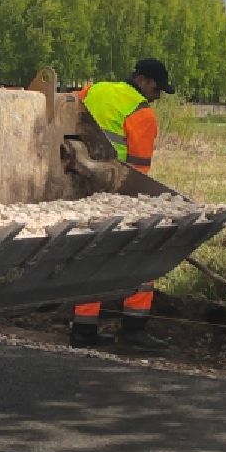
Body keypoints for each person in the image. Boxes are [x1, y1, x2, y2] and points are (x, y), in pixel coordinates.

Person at [70, 57, 174, 350]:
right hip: (114, 192)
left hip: (76, 188)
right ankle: (134, 330)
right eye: (158, 90)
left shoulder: (94, 89)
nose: (158, 97)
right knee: (146, 254)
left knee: (93, 257)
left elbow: (65, 115)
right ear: (145, 81)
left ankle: (83, 330)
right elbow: (138, 172)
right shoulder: (141, 114)